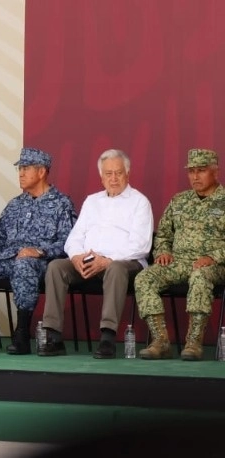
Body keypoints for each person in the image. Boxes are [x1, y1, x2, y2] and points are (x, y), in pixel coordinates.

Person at [0, 147, 77, 354]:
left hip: (40, 263)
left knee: (24, 264)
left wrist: (38, 251)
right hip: (6, 258)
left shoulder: (61, 204)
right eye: (20, 168)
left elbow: (68, 243)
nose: (20, 173)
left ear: (41, 172)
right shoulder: (15, 205)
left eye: (26, 168)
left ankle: (21, 335)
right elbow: (0, 239)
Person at [38, 149, 153, 359]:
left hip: (126, 263)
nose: (114, 178)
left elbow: (141, 245)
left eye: (118, 173)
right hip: (89, 260)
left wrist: (107, 260)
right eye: (108, 174)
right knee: (56, 267)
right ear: (101, 176)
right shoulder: (92, 201)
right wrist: (76, 257)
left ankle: (108, 338)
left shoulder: (139, 202)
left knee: (116, 268)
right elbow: (74, 238)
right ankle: (53, 337)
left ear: (128, 173)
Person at [134, 148, 225, 361]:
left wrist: (214, 257)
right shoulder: (179, 201)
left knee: (200, 277)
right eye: (191, 171)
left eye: (201, 171)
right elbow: (164, 233)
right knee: (145, 277)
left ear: (215, 172)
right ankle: (160, 341)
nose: (195, 176)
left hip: (215, 266)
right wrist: (163, 251)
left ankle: (194, 342)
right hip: (179, 261)